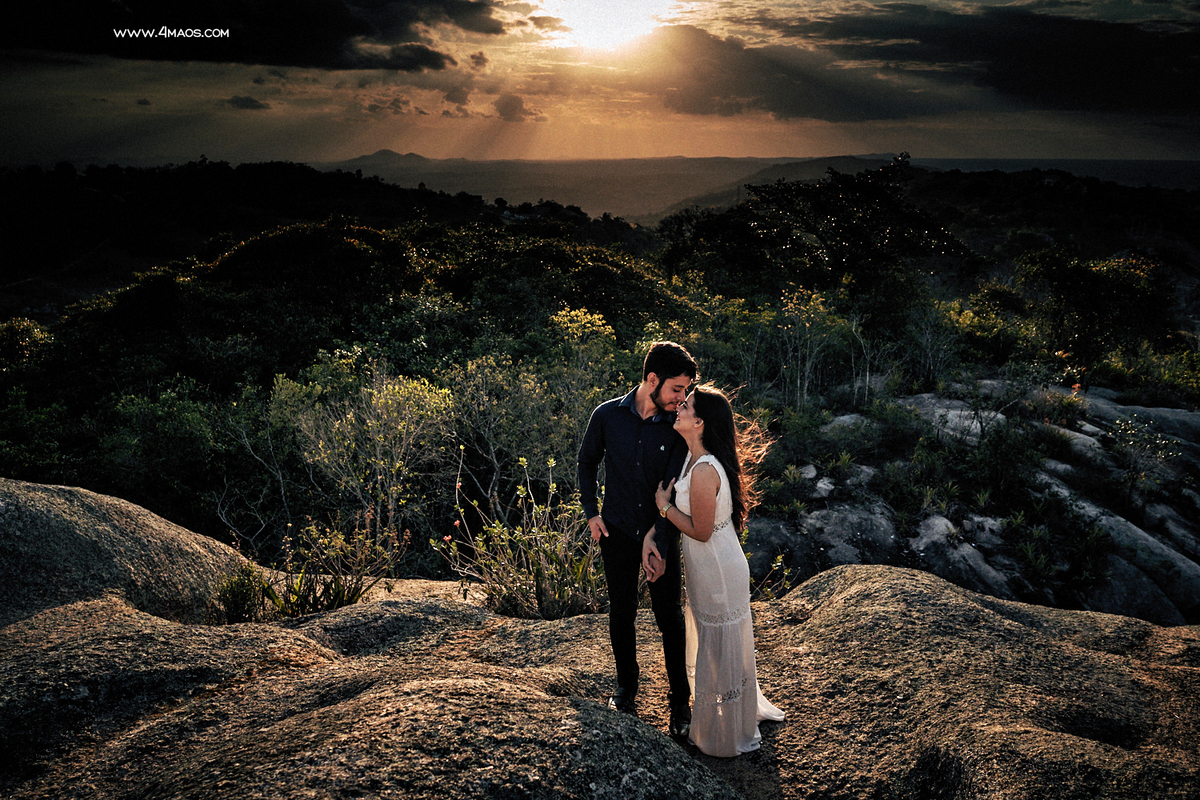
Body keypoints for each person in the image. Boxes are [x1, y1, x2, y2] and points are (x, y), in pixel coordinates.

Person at [649, 384, 785, 757]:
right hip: (707, 565)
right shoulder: (692, 459)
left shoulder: (706, 469)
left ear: (700, 422)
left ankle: (723, 731)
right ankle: (724, 713)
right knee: (715, 640)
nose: (679, 407)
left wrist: (664, 507)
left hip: (719, 567)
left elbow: (701, 530)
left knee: (719, 641)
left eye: (687, 405)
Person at [577, 341, 697, 737]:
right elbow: (586, 462)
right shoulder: (607, 415)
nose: (682, 398)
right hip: (616, 533)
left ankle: (680, 704)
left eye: (686, 391)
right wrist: (592, 513)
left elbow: (677, 489)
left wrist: (658, 536)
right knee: (621, 612)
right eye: (677, 389)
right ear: (652, 379)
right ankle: (627, 688)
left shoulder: (676, 427)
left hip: (661, 533)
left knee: (669, 618)